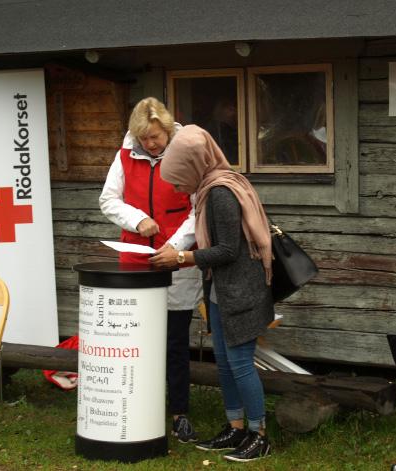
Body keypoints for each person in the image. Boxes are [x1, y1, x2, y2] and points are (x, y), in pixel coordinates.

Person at [150, 124, 274, 462]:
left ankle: (258, 433)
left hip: (240, 292)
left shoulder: (220, 193)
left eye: (178, 179)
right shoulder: (207, 190)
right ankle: (235, 426)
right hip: (222, 291)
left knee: (240, 364)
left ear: (193, 166)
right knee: (224, 363)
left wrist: (183, 257)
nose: (176, 187)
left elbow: (229, 250)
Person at [99, 97, 202, 443]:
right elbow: (109, 199)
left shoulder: (187, 153)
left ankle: (179, 413)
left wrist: (177, 245)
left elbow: (197, 208)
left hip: (177, 259)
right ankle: (137, 407)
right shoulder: (125, 154)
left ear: (168, 130)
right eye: (143, 138)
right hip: (135, 260)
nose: (150, 144)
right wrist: (138, 218)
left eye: (155, 137)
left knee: (174, 341)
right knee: (134, 339)